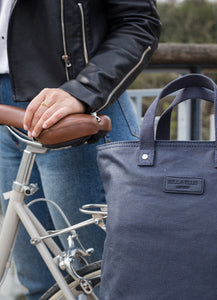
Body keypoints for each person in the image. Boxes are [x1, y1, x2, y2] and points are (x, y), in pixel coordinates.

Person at [0, 1, 161, 299]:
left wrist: (84, 91)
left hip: (73, 108)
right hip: (4, 113)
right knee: (40, 285)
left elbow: (139, 21)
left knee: (107, 282)